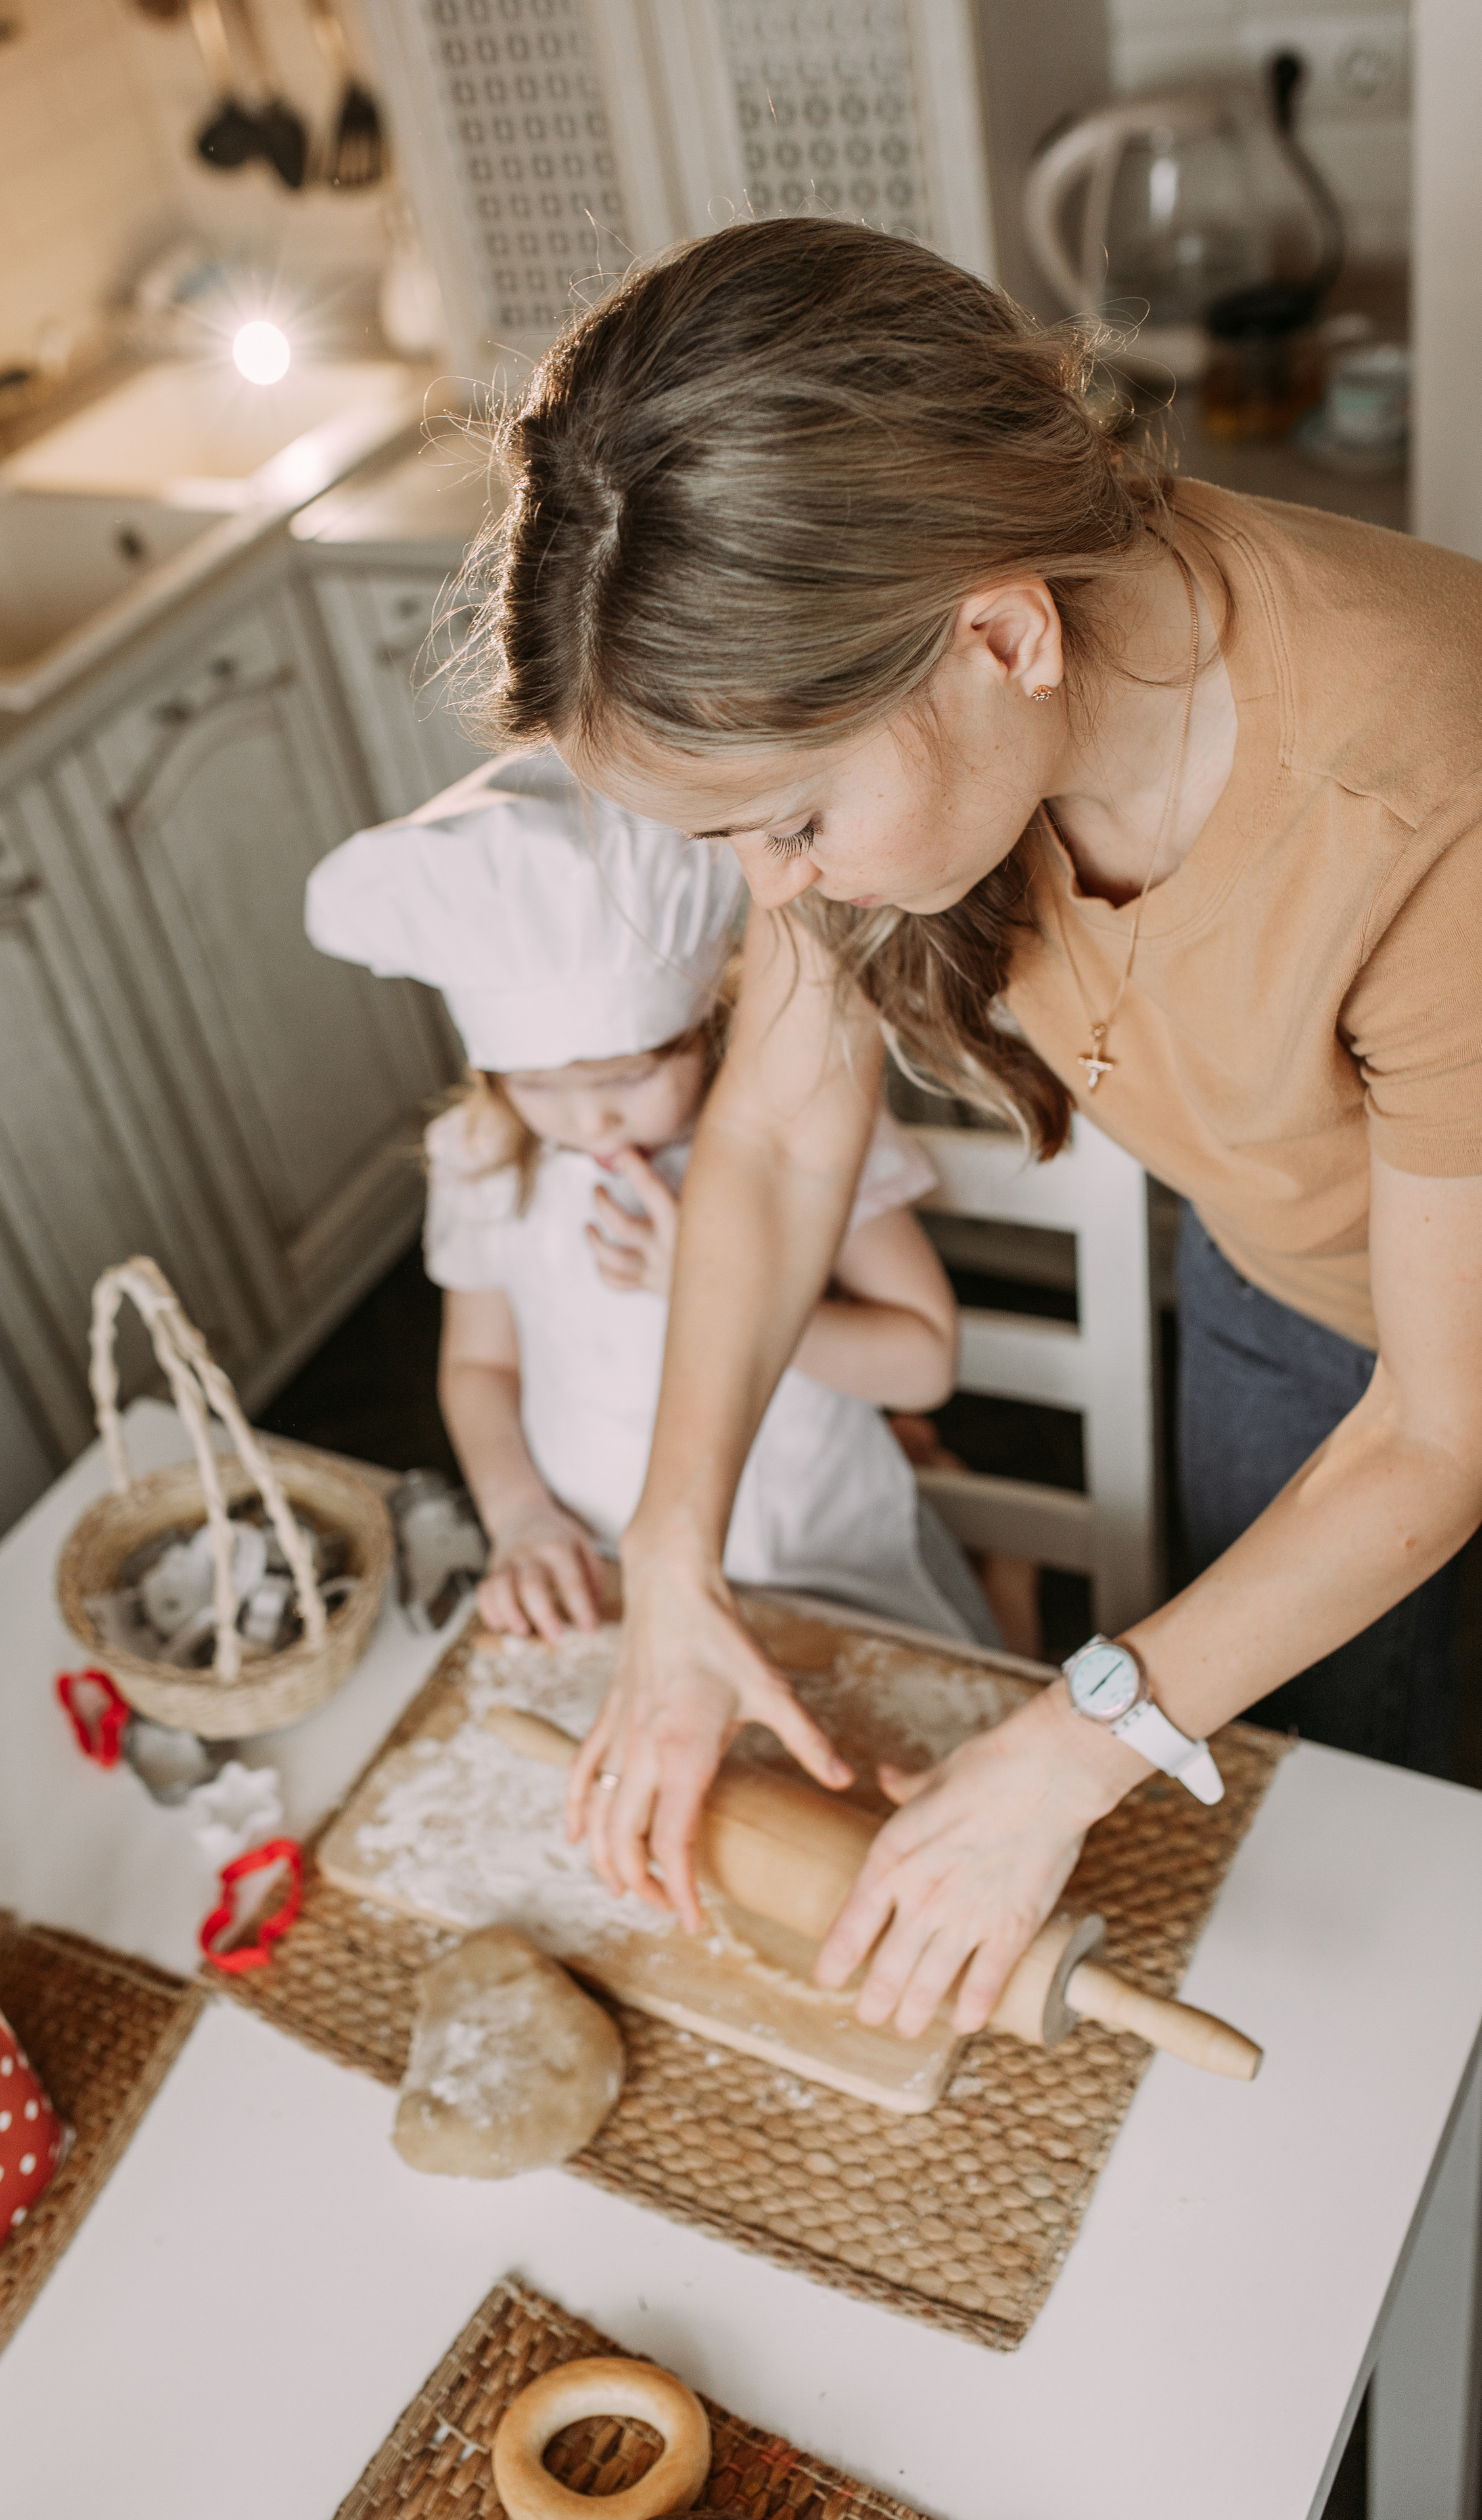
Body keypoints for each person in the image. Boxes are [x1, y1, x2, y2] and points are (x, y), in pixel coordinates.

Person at [450, 216, 1482, 2045]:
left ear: (1001, 633)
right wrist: (673, 1569)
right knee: (1293, 1780)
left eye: (790, 826)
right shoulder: (907, 691)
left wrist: (1070, 1743)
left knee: (1410, 1847)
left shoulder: (1428, 793)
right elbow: (777, 1140)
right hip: (1275, 1264)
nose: (775, 889)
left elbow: (1436, 1429)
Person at [305, 747, 1000, 1648]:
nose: (589, 1118)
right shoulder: (485, 1156)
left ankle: (1006, 1582)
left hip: (821, 1556)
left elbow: (924, 1364)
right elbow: (479, 1368)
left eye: (629, 1076)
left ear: (708, 1025)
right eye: (537, 1085)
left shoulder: (806, 1125)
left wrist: (715, 1289)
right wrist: (520, 1515)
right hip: (604, 1562)